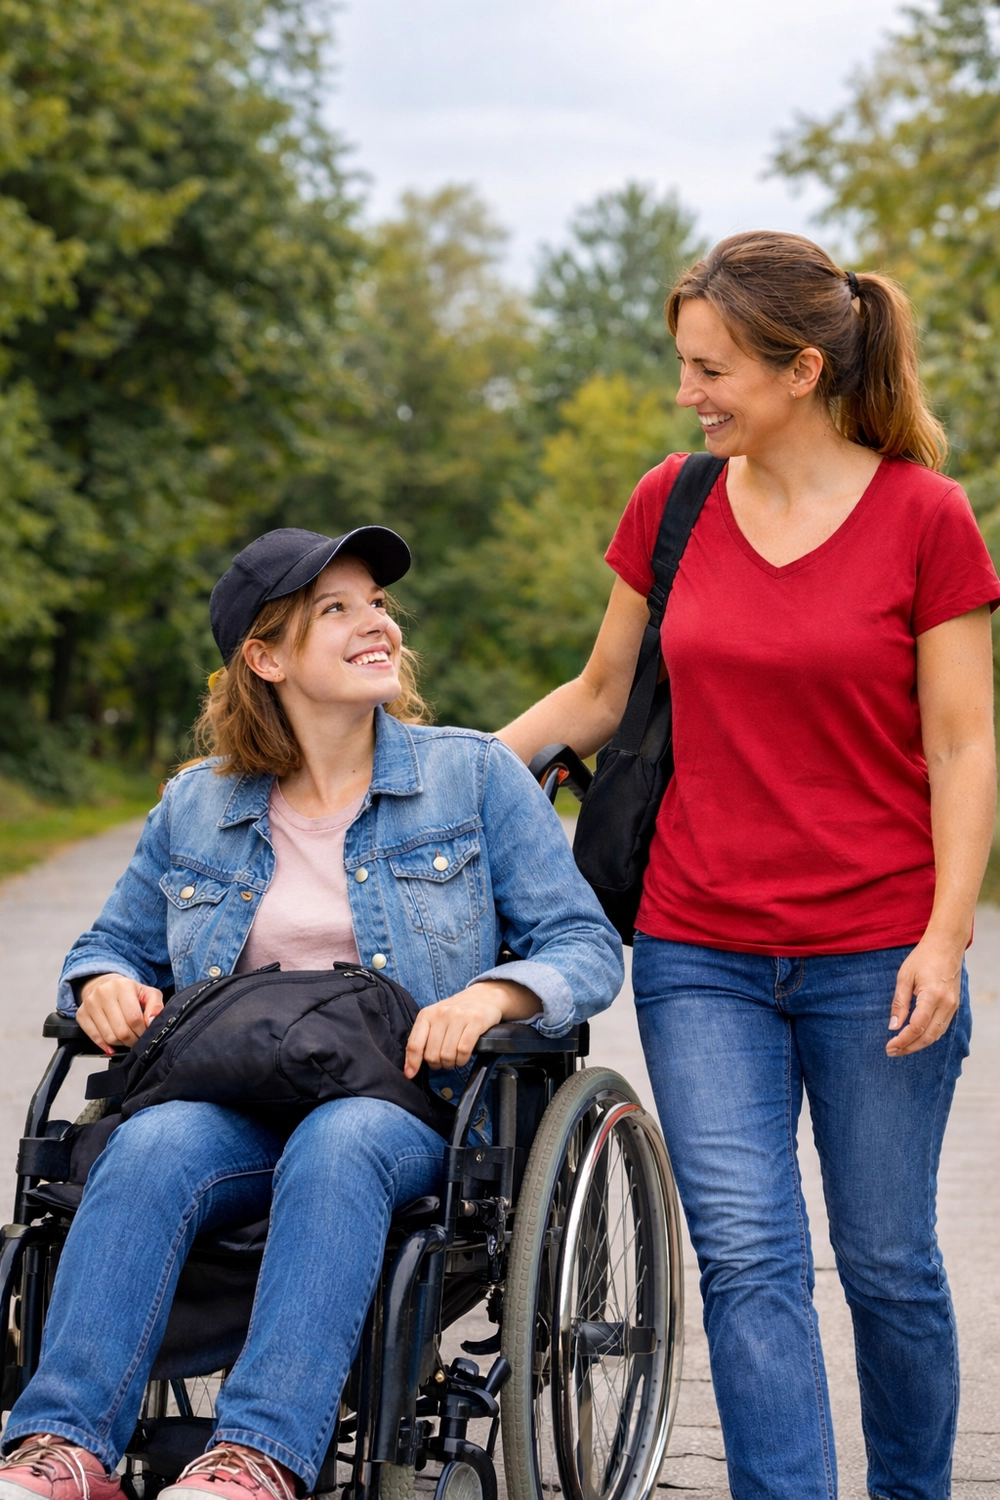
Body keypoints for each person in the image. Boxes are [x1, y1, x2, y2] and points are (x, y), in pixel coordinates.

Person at [498, 232, 999, 1500]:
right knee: (746, 1259)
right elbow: (601, 695)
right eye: (685, 366)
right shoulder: (671, 503)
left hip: (878, 952)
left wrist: (943, 936)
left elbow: (962, 741)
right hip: (696, 948)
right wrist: (438, 784)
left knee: (887, 1262)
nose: (689, 393)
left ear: (801, 370)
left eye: (710, 368)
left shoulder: (924, 518)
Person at [0, 525, 623, 1500]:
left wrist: (494, 994)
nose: (375, 621)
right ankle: (62, 1447)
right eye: (335, 608)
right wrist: (99, 987)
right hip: (234, 1105)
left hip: (412, 1106)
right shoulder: (198, 806)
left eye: (375, 602)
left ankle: (255, 1456)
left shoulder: (471, 778)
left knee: (339, 1143)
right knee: (150, 1145)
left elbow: (581, 949)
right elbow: (106, 948)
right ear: (266, 655)